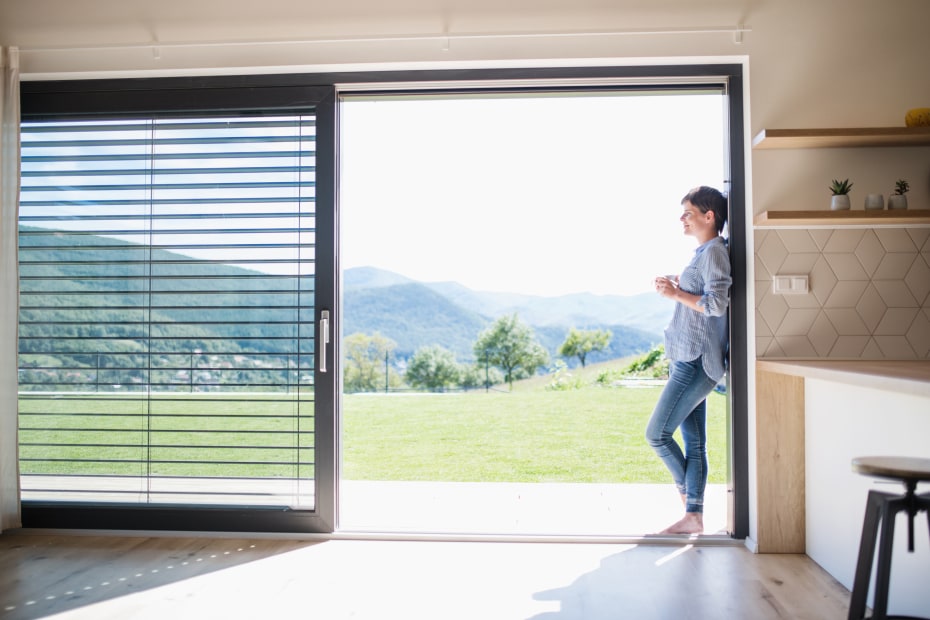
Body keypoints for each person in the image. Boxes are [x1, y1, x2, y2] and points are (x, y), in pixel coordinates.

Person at [646, 186, 731, 535]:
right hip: (689, 356)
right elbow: (706, 293)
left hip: (696, 360)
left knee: (657, 434)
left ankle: (689, 501)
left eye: (687, 212)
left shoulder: (713, 252)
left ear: (708, 216)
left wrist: (676, 293)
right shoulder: (705, 252)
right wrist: (680, 282)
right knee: (694, 443)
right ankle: (693, 516)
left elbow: (716, 304)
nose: (682, 218)